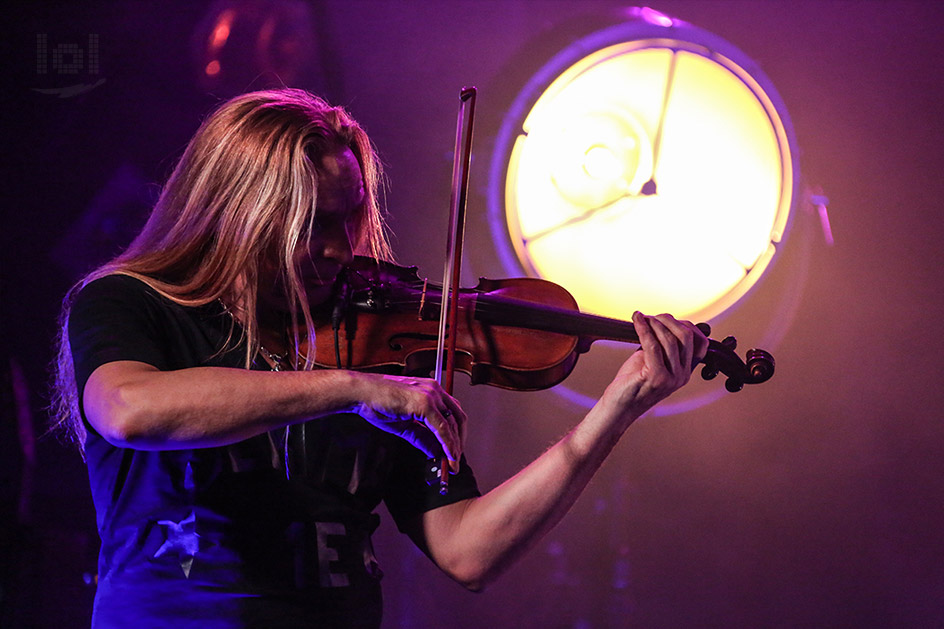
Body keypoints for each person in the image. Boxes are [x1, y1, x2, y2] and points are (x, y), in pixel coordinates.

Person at [51, 88, 708, 628]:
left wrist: (616, 409)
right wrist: (350, 388)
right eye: (313, 225)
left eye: (353, 219)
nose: (341, 249)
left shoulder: (378, 351)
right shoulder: (129, 301)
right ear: (240, 212)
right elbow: (130, 409)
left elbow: (469, 549)